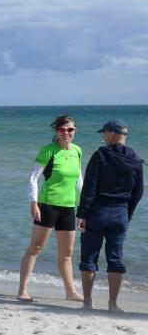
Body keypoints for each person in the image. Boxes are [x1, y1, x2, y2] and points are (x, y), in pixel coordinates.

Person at [76, 120, 143, 311]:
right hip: (120, 213)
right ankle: (113, 304)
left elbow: (89, 187)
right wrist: (128, 214)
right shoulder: (135, 159)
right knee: (116, 258)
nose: (103, 136)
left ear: (113, 134)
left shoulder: (100, 155)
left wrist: (82, 214)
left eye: (104, 133)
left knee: (89, 257)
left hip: (97, 212)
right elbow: (138, 192)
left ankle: (87, 302)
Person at [17, 115, 85, 302]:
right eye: (62, 130)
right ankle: (22, 290)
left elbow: (79, 180)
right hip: (47, 206)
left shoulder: (78, 151)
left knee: (67, 253)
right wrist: (34, 203)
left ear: (75, 131)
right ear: (57, 131)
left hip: (68, 207)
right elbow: (33, 178)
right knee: (36, 247)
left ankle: (70, 292)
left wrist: (84, 208)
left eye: (70, 129)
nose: (66, 133)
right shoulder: (49, 151)